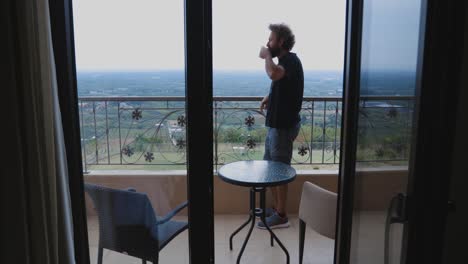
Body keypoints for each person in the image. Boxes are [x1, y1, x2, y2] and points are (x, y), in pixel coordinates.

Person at [257, 23, 304, 229]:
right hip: (275, 126)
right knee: (270, 169)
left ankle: (282, 215)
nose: (268, 43)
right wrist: (270, 96)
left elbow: (274, 74)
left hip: (283, 127)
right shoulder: (286, 62)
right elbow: (283, 83)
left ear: (281, 42)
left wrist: (267, 56)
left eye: (271, 39)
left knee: (279, 171)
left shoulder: (291, 60)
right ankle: (276, 208)